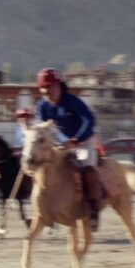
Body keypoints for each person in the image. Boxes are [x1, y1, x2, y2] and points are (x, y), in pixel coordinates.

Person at [34, 68, 101, 231]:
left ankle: (93, 210)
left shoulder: (72, 101)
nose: (46, 92)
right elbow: (41, 126)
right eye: (43, 88)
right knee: (44, 167)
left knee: (87, 169)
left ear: (58, 86)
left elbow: (89, 120)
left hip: (83, 142)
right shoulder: (43, 105)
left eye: (49, 87)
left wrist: (75, 140)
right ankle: (46, 208)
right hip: (61, 144)